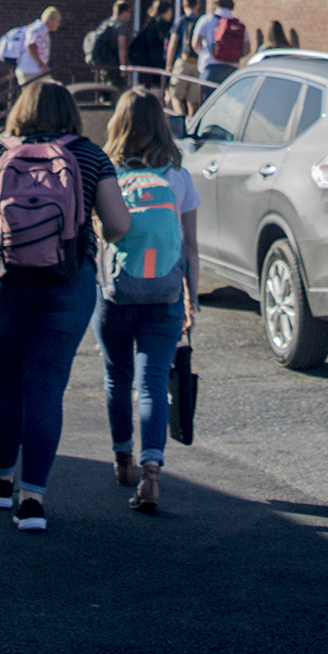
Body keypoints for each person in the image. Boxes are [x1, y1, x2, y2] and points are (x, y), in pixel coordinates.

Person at [0, 81, 133, 533]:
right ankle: (32, 500)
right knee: (46, 387)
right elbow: (117, 226)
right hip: (66, 285)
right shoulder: (91, 156)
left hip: (3, 283)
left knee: (8, 381)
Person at [96, 90, 199, 515]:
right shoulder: (178, 176)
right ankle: (152, 472)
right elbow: (191, 245)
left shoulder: (107, 172)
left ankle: (123, 458)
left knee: (118, 378)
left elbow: (98, 236)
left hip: (117, 293)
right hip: (167, 293)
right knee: (153, 381)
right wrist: (192, 299)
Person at [194, 0, 247, 90]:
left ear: (216, 5)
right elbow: (247, 48)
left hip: (211, 67)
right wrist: (232, 54)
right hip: (232, 69)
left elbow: (195, 43)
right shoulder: (239, 24)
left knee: (208, 102)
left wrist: (205, 54)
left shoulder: (206, 19)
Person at [167, 0, 205, 115]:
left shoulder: (181, 21)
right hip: (197, 65)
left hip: (182, 63)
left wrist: (169, 65)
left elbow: (172, 44)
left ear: (184, 5)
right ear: (197, 5)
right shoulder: (201, 21)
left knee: (175, 97)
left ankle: (181, 123)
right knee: (193, 101)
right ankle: (191, 127)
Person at [84, 0, 135, 87]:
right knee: (116, 91)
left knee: (105, 91)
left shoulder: (106, 23)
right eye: (129, 12)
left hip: (103, 64)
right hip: (113, 66)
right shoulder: (120, 26)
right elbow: (122, 47)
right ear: (123, 12)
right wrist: (123, 67)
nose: (130, 15)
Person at [126, 0, 172, 90]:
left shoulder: (151, 23)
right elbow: (162, 42)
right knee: (159, 86)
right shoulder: (161, 24)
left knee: (156, 85)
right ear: (166, 11)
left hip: (151, 61)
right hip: (158, 62)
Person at [14, 7, 62, 86]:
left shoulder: (41, 29)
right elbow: (31, 45)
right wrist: (41, 65)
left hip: (33, 70)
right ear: (50, 19)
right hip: (32, 71)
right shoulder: (40, 29)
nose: (58, 24)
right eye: (58, 21)